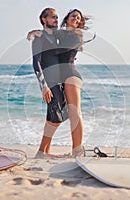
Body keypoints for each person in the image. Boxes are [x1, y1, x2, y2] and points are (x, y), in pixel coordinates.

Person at [30, 8, 91, 158]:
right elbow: (40, 56)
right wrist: (37, 32)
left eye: (78, 18)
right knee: (56, 116)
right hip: (57, 80)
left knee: (74, 112)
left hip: (70, 75)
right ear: (67, 19)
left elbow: (58, 51)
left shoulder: (76, 35)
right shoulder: (59, 34)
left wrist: (41, 36)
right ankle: (43, 152)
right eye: (73, 16)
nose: (76, 19)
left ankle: (77, 150)